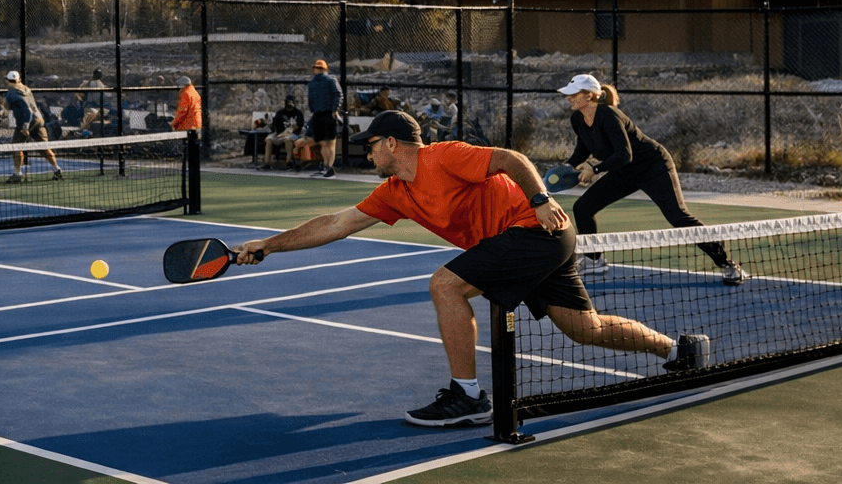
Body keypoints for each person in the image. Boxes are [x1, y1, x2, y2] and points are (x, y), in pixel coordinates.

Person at [236, 109, 710, 428]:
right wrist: (269, 245)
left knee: (445, 285)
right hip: (533, 243)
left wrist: (541, 198)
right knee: (583, 329)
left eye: (372, 144)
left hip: (535, 228)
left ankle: (468, 396)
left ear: (395, 144)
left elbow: (510, 158)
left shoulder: (443, 157)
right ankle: (679, 352)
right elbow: (335, 223)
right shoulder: (394, 192)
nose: (367, 152)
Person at [557, 73, 746, 284]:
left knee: (677, 216)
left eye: (574, 94)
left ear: (589, 96)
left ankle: (728, 264)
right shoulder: (578, 119)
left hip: (653, 167)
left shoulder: (609, 116)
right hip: (625, 172)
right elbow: (581, 151)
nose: (569, 98)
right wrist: (565, 168)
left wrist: (596, 169)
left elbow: (624, 153)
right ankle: (594, 260)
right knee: (583, 207)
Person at [3, 70, 62, 183]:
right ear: (18, 79)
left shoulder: (12, 92)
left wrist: (25, 126)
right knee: (44, 147)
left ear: (8, 81)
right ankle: (56, 169)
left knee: (16, 147)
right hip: (39, 120)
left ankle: (17, 174)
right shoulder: (26, 89)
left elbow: (28, 111)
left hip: (26, 122)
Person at [306, 59, 343, 178]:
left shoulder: (311, 83)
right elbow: (338, 94)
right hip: (328, 114)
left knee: (323, 143)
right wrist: (335, 110)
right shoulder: (331, 80)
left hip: (318, 114)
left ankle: (326, 167)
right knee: (330, 143)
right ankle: (328, 168)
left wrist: (314, 110)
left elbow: (310, 100)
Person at [263, 95, 305, 168]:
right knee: (269, 139)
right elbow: (275, 124)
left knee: (288, 140)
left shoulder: (298, 113)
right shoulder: (280, 112)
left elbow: (298, 126)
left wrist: (289, 130)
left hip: (293, 134)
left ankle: (288, 162)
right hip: (280, 133)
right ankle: (267, 163)